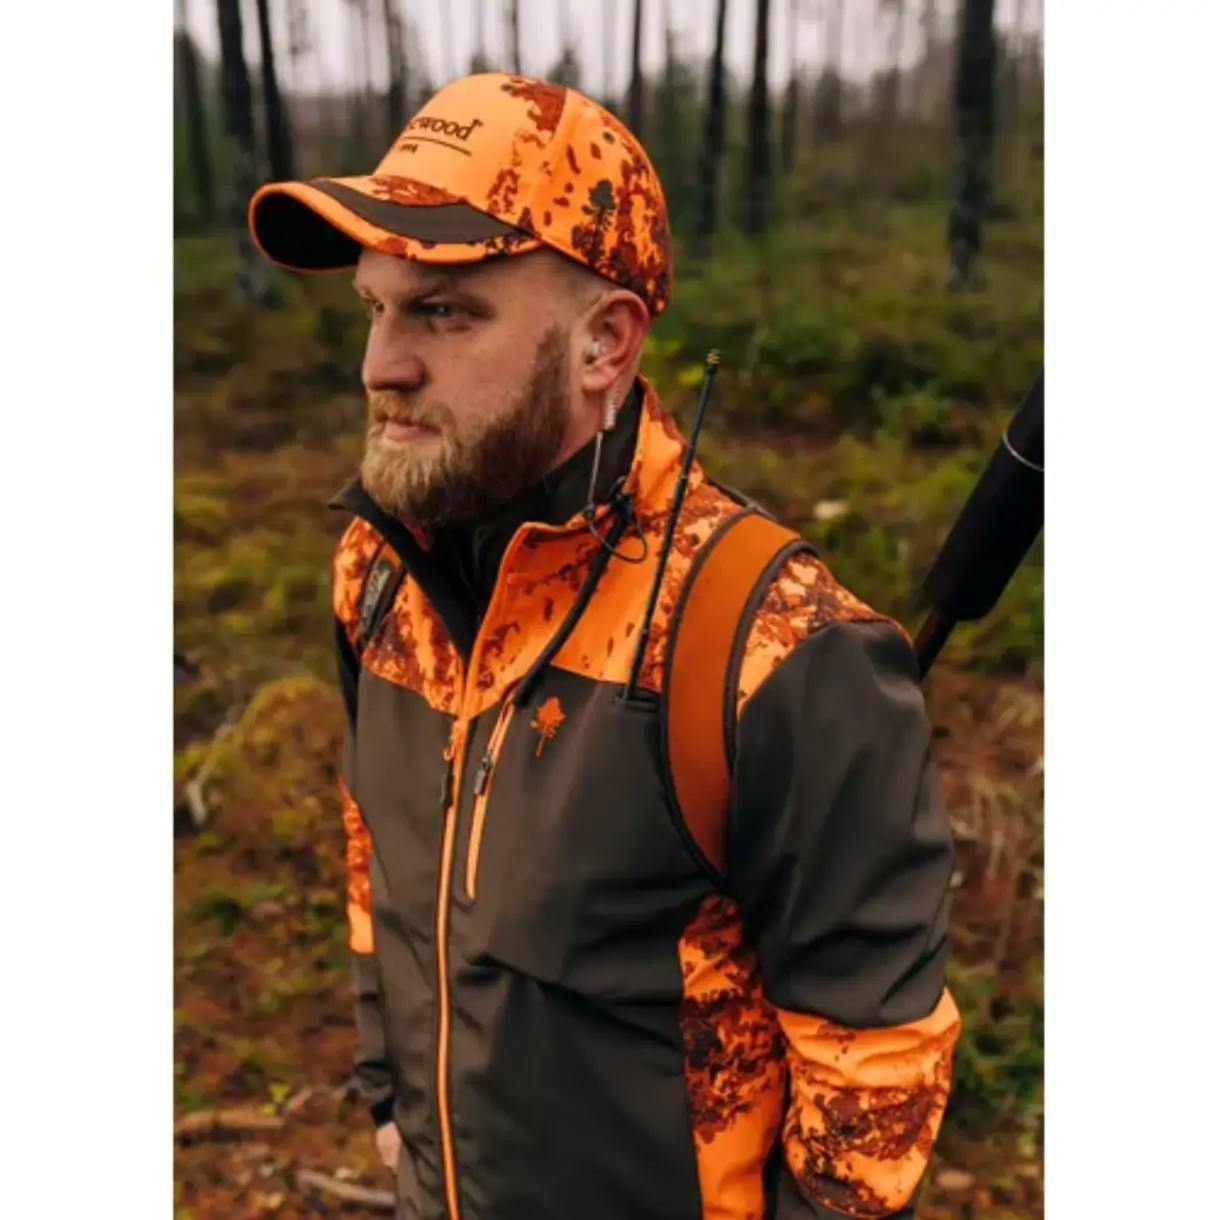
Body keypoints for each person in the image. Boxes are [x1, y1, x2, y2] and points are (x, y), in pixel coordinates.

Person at [248, 72, 962, 1220]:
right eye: (374, 308)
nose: (381, 365)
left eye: (444, 311)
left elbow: (872, 1066)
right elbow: (376, 851)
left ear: (603, 343)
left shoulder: (773, 648)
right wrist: (390, 1097)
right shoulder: (377, 574)